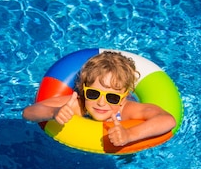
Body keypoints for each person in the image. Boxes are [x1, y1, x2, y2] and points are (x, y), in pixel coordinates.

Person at [22, 51, 176, 147]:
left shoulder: (127, 110)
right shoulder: (77, 104)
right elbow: (28, 112)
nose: (101, 102)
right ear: (83, 90)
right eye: (93, 94)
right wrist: (54, 112)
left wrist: (129, 135)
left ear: (123, 98)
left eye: (112, 97)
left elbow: (168, 120)